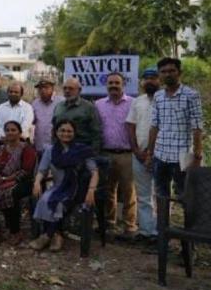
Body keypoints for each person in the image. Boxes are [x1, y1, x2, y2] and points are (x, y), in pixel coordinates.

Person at [146, 58, 204, 224]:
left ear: (179, 73)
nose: (167, 74)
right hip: (160, 156)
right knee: (161, 197)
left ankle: (188, 237)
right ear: (159, 74)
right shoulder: (158, 96)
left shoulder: (191, 95)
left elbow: (197, 127)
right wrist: (150, 153)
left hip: (183, 157)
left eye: (171, 71)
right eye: (163, 72)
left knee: (186, 198)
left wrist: (197, 155)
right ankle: (162, 235)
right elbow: (154, 126)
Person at [30, 119, 98, 252]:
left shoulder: (82, 150)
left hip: (78, 188)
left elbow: (94, 172)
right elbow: (42, 170)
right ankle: (57, 235)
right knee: (45, 200)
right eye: (62, 130)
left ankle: (47, 235)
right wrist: (37, 182)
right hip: (58, 186)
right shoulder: (50, 150)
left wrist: (91, 190)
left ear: (74, 133)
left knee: (60, 203)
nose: (66, 134)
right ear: (56, 132)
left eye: (69, 131)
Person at [0, 120, 37, 245]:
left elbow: (26, 171)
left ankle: (15, 231)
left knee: (9, 194)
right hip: (1, 179)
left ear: (20, 133)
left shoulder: (26, 149)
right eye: (7, 130)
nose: (10, 132)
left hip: (22, 181)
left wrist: (6, 179)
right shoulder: (1, 149)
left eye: (13, 130)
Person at [95, 72, 136, 240]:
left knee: (129, 191)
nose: (113, 86)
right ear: (106, 85)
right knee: (108, 191)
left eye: (117, 83)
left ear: (123, 85)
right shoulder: (98, 104)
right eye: (110, 83)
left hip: (127, 154)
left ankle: (129, 226)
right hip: (106, 153)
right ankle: (109, 223)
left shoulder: (133, 103)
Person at [125, 67, 160, 242]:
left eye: (153, 78)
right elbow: (130, 126)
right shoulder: (137, 101)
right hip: (139, 155)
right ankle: (146, 231)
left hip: (161, 156)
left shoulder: (165, 100)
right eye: (147, 78)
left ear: (159, 80)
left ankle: (160, 232)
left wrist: (152, 153)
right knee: (143, 195)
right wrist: (136, 150)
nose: (150, 81)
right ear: (142, 82)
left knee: (160, 195)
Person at [52, 78, 102, 152]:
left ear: (79, 90)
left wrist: (93, 153)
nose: (67, 91)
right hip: (61, 151)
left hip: (82, 151)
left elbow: (96, 133)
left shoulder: (88, 107)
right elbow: (54, 129)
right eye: (65, 88)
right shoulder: (59, 106)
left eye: (71, 88)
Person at [32, 76, 64, 155]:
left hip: (56, 147)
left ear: (52, 88)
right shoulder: (35, 103)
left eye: (46, 87)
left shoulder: (61, 102)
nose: (43, 90)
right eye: (40, 88)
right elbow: (32, 122)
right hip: (39, 146)